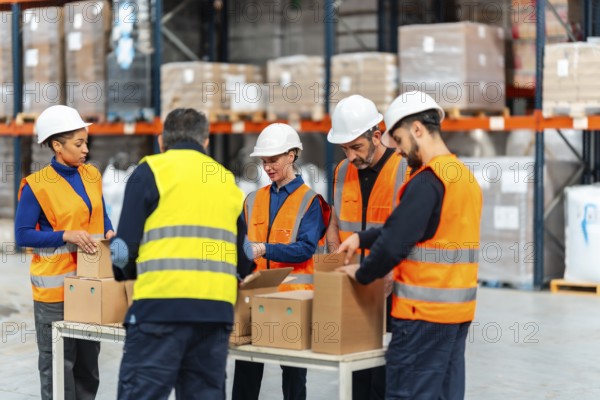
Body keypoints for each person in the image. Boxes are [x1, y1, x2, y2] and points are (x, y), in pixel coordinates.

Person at [337, 91, 483, 400]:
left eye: (400, 141)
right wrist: (361, 238)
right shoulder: (462, 177)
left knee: (407, 394)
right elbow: (412, 228)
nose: (400, 152)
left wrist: (362, 276)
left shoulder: (426, 181)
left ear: (417, 129)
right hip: (456, 316)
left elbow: (393, 244)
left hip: (421, 318)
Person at [111, 108, 253, 400]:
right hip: (215, 316)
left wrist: (123, 273)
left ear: (162, 140)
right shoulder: (227, 181)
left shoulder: (149, 171)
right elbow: (247, 259)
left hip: (160, 311)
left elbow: (122, 250)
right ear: (206, 141)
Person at [14, 105, 115, 400]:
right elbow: (22, 235)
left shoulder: (92, 175)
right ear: (57, 146)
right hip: (55, 291)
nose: (85, 149)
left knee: (87, 363)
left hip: (89, 283)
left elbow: (101, 214)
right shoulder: (37, 186)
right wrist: (64, 235)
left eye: (86, 142)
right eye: (78, 143)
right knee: (58, 363)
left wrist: (109, 232)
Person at [232, 123, 331, 400]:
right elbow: (242, 246)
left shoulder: (310, 202)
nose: (268, 167)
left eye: (273, 160)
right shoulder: (252, 200)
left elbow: (305, 249)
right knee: (246, 372)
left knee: (293, 377)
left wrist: (265, 249)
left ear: (292, 155)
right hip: (254, 296)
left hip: (291, 301)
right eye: (264, 161)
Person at [326, 94, 408, 400]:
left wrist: (390, 273)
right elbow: (334, 222)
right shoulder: (340, 172)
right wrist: (336, 262)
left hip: (391, 290)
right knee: (355, 372)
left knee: (384, 375)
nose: (350, 157)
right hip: (354, 286)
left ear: (377, 135)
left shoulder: (403, 170)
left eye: (356, 147)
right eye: (344, 149)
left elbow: (407, 232)